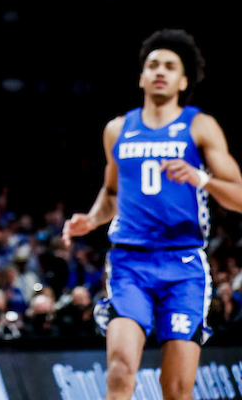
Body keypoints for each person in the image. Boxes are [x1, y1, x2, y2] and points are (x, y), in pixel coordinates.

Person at [63, 30, 242, 400]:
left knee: (176, 390)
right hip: (130, 262)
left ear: (183, 80)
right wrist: (92, 219)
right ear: (141, 77)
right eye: (153, 65)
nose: (160, 71)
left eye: (170, 66)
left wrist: (202, 178)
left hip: (184, 265)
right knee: (119, 371)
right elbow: (112, 192)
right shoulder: (117, 129)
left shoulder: (200, 126)